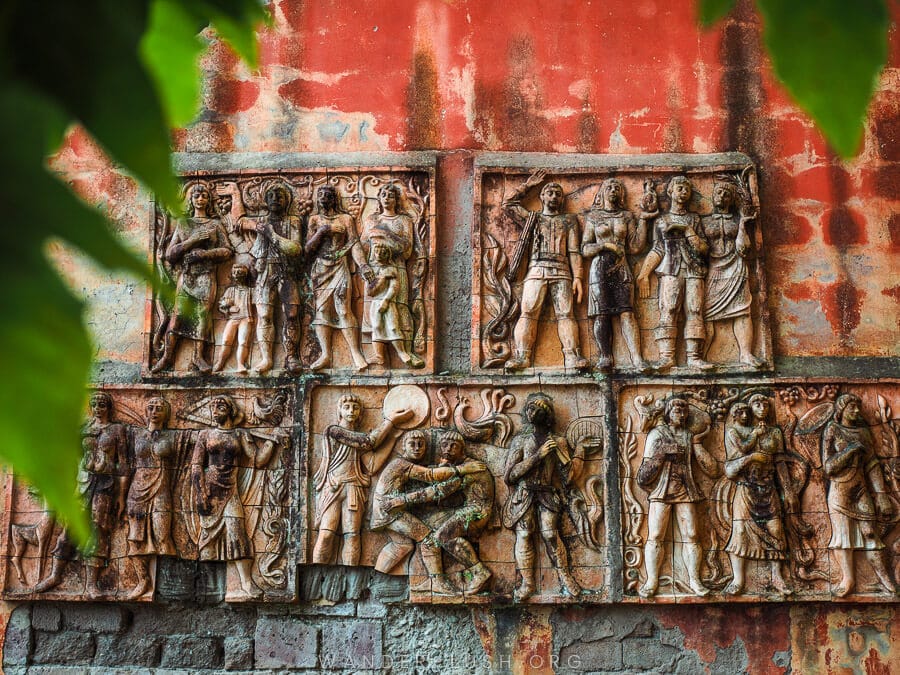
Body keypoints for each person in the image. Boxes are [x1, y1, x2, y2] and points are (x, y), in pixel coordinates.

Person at [374, 430, 492, 595]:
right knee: (418, 538)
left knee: (437, 538)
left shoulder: (472, 468)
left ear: (462, 449)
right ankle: (432, 580)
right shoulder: (402, 464)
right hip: (389, 510)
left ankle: (478, 572)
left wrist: (402, 500)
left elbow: (439, 491)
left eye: (453, 446)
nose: (448, 449)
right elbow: (434, 480)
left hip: (476, 511)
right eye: (444, 445)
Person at [191, 395, 279, 599]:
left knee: (237, 531)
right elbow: (196, 465)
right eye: (213, 405)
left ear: (230, 410)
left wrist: (272, 442)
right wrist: (200, 492)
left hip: (231, 489)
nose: (216, 408)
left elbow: (257, 460)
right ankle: (208, 584)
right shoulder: (205, 435)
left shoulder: (240, 434)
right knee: (207, 538)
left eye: (220, 405)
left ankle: (246, 583)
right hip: (210, 489)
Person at [312, 393, 413, 566]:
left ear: (360, 412)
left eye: (355, 407)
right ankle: (316, 574)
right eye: (347, 407)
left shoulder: (357, 438)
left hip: (354, 487)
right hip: (333, 487)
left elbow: (372, 465)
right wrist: (391, 421)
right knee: (326, 533)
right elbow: (369, 441)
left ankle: (351, 580)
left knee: (352, 535)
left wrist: (393, 439)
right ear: (339, 411)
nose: (351, 410)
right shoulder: (334, 431)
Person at [502, 170, 588, 371]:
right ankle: (522, 356)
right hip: (537, 269)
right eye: (550, 192)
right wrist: (528, 185)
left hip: (562, 271)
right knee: (528, 312)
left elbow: (574, 252)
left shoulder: (569, 221)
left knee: (566, 314)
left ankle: (572, 356)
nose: (554, 197)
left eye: (558, 194)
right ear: (542, 197)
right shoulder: (533, 218)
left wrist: (578, 277)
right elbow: (508, 205)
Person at [503, 393, 583, 600]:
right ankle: (527, 583)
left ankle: (565, 578)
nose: (531, 412)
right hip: (525, 494)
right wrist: (538, 456)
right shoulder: (521, 441)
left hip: (547, 494)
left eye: (536, 409)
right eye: (529, 408)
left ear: (546, 414)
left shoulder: (558, 442)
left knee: (550, 534)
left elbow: (568, 477)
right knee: (525, 534)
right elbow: (509, 475)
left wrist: (578, 454)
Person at [636, 397, 717, 597]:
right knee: (655, 535)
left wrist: (698, 442)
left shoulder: (689, 436)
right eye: (676, 411)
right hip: (661, 492)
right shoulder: (657, 434)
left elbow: (711, 469)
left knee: (691, 535)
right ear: (668, 413)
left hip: (685, 491)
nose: (681, 415)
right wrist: (661, 453)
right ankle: (652, 581)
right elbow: (643, 476)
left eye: (684, 411)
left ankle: (694, 579)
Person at [151, 183, 233, 374]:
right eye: (196, 196)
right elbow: (171, 254)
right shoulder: (183, 223)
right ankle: (168, 356)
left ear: (209, 200)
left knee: (202, 316)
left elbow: (227, 250)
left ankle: (198, 356)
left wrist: (206, 254)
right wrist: (193, 240)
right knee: (177, 315)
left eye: (204, 195)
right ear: (191, 200)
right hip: (187, 276)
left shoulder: (215, 225)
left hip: (206, 276)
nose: (200, 199)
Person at [822, 394, 897, 597]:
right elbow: (828, 467)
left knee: (871, 532)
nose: (856, 411)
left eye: (858, 407)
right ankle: (848, 579)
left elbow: (872, 464)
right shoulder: (833, 429)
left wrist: (881, 494)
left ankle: (885, 579)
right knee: (843, 536)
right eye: (852, 407)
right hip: (840, 491)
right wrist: (849, 451)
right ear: (841, 410)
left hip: (861, 489)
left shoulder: (864, 432)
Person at [636, 176, 712, 371]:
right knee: (668, 309)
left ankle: (694, 357)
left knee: (694, 310)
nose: (683, 192)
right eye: (679, 188)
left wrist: (688, 231)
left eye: (687, 189)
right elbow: (658, 249)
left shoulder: (694, 219)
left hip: (693, 269)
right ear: (670, 192)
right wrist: (644, 273)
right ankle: (667, 357)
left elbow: (703, 248)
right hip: (670, 269)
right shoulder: (662, 220)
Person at [230, 183, 304, 373]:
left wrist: (271, 234)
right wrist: (235, 193)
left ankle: (291, 356)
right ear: (265, 200)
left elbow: (295, 249)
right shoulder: (261, 221)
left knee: (292, 315)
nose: (275, 199)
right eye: (271, 196)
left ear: (287, 201)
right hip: (265, 272)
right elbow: (238, 221)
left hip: (286, 271)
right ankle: (266, 358)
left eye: (279, 196)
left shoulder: (293, 221)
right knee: (264, 316)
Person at [581, 178, 651, 372]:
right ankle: (605, 356)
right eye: (609, 187)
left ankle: (637, 358)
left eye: (617, 188)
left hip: (621, 266)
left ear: (621, 194)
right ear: (602, 192)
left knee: (627, 312)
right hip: (599, 267)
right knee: (601, 314)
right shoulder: (593, 217)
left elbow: (636, 247)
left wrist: (644, 219)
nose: (613, 190)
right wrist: (604, 245)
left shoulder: (627, 216)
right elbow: (585, 249)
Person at [722, 398, 791, 595]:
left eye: (766, 404)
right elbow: (730, 468)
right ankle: (738, 579)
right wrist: (752, 454)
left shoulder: (775, 432)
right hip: (745, 488)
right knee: (741, 531)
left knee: (776, 529)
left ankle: (777, 576)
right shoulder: (737, 433)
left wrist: (788, 489)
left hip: (768, 487)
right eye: (757, 405)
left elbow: (780, 462)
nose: (762, 408)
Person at [305, 184, 369, 371]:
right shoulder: (314, 219)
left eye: (328, 195)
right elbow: (307, 249)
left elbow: (354, 244)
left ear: (334, 199)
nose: (324, 198)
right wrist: (321, 231)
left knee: (343, 308)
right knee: (322, 310)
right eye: (320, 195)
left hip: (340, 265)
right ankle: (325, 354)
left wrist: (363, 265)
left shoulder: (346, 219)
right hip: (320, 268)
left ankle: (356, 353)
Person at [360, 184, 424, 368]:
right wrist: (365, 266)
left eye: (391, 196)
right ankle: (378, 355)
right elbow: (364, 245)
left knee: (400, 308)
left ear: (397, 200)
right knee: (374, 313)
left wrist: (382, 234)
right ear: (378, 199)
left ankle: (407, 351)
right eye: (383, 195)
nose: (387, 198)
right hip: (374, 269)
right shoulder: (371, 219)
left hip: (397, 268)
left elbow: (406, 250)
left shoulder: (404, 220)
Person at [701, 181, 763, 367]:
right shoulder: (703, 221)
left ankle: (745, 354)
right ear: (712, 196)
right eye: (718, 192)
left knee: (743, 311)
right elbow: (700, 249)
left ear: (731, 199)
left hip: (736, 266)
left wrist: (743, 224)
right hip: (713, 269)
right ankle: (699, 356)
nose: (721, 196)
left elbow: (744, 249)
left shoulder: (737, 221)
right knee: (706, 313)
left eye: (726, 194)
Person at [124, 396, 176, 600]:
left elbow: (168, 450)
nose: (154, 411)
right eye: (151, 407)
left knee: (163, 534)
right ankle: (142, 579)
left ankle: (170, 585)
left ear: (166, 414)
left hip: (161, 486)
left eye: (159, 408)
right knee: (135, 535)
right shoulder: (136, 435)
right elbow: (127, 465)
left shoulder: (171, 436)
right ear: (145, 412)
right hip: (137, 488)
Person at [213, 263, 254, 373]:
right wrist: (230, 309)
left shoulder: (250, 291)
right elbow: (221, 306)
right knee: (226, 340)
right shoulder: (230, 290)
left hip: (246, 318)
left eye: (240, 273)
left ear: (245, 275)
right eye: (235, 273)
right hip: (233, 319)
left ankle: (240, 364)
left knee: (242, 341)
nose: (237, 275)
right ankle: (220, 362)